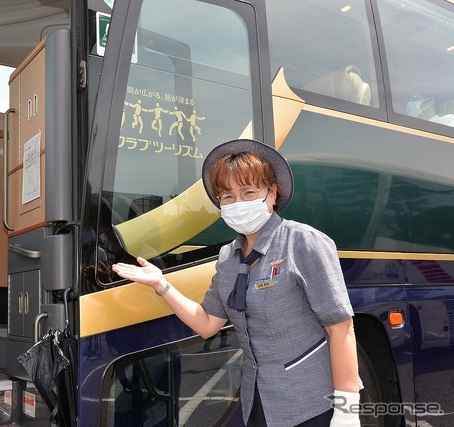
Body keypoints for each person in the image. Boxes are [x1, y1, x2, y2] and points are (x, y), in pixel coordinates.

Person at [112, 139, 361, 427]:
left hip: (312, 402)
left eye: (248, 192)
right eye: (227, 197)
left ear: (272, 194)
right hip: (257, 401)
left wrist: (347, 410)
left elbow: (340, 327)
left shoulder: (302, 241)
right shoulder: (229, 257)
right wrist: (161, 285)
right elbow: (207, 324)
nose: (237, 204)